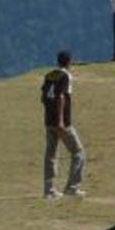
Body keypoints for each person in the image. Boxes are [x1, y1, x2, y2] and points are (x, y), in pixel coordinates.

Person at [41, 50, 86, 198]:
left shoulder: (49, 75)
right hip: (63, 122)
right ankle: (72, 187)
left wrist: (50, 115)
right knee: (78, 152)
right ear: (69, 62)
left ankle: (49, 190)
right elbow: (61, 96)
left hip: (49, 120)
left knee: (51, 155)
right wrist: (60, 120)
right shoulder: (66, 76)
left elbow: (43, 97)